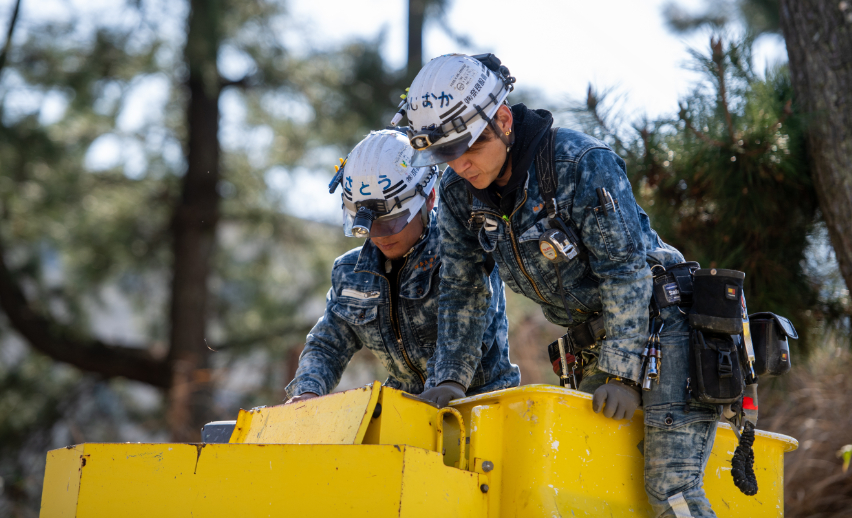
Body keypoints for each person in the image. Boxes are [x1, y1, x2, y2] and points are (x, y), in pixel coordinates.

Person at [397, 53, 721, 518]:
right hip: (596, 340)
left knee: (671, 489)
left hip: (665, 324)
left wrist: (622, 375)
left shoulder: (579, 163)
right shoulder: (456, 196)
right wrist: (449, 378)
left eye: (469, 147)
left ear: (503, 120)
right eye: (447, 155)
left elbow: (625, 269)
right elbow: (462, 292)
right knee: (588, 483)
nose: (461, 165)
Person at [284, 129, 519, 404]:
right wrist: (307, 392)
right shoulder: (350, 273)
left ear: (429, 197)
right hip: (405, 413)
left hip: (483, 406)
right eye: (367, 224)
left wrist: (446, 383)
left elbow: (468, 325)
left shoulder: (462, 253)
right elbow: (327, 345)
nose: (379, 234)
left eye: (391, 221)